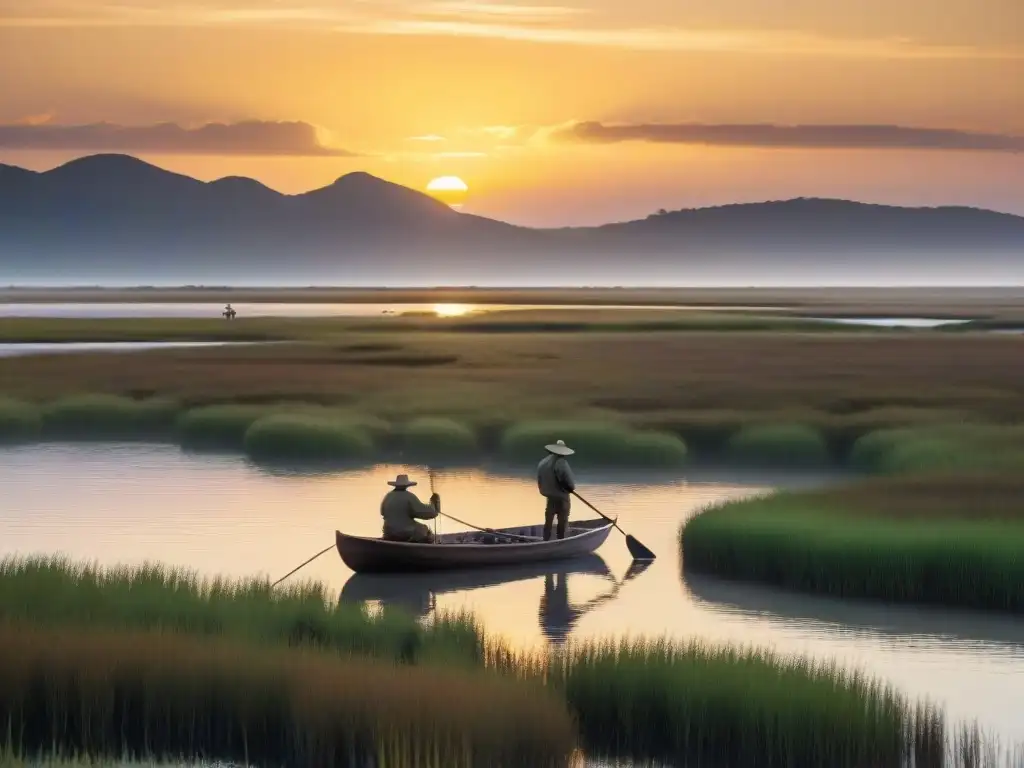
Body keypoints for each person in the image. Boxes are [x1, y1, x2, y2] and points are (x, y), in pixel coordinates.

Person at [380, 473, 440, 543]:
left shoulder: (388, 496)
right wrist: (434, 505)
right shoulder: (409, 497)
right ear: (407, 485)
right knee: (424, 529)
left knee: (417, 527)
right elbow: (425, 513)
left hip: (388, 532)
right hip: (404, 533)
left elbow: (382, 512)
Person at [537, 439, 577, 541]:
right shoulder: (561, 463)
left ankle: (546, 539)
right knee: (562, 520)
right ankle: (561, 540)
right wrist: (570, 488)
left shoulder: (543, 462)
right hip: (562, 497)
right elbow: (570, 483)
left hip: (550, 497)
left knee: (549, 520)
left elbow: (540, 481)